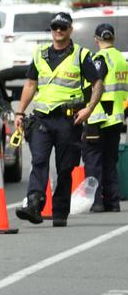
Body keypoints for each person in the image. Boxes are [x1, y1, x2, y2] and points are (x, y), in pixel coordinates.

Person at [14, 12, 104, 227]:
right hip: (42, 119)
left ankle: (60, 212)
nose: (59, 31)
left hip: (68, 121)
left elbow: (97, 84)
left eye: (63, 27)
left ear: (70, 29)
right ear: (51, 30)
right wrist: (19, 112)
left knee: (64, 168)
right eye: (55, 27)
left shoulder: (81, 55)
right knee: (38, 161)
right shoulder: (40, 54)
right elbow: (30, 84)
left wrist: (89, 109)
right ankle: (34, 204)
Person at [83, 24, 128, 213]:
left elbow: (96, 84)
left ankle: (97, 202)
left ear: (96, 39)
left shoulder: (100, 58)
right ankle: (113, 201)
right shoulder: (121, 59)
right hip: (116, 117)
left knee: (93, 160)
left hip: (98, 117)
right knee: (110, 160)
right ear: (114, 38)